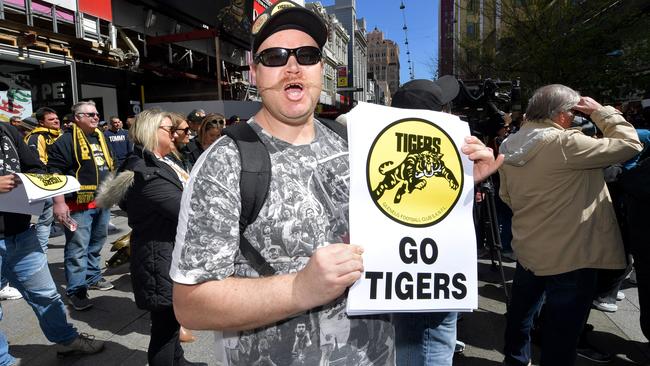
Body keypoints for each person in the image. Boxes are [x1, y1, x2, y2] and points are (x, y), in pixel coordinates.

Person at [169, 2, 502, 366]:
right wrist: (300, 288)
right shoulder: (226, 162)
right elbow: (191, 305)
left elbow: (402, 213)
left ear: (321, 68)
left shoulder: (354, 142)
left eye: (307, 55)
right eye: (276, 56)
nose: (293, 66)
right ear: (254, 72)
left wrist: (456, 184)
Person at [499, 84, 642, 366]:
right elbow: (630, 144)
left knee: (522, 313)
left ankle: (516, 360)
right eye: (574, 112)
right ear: (563, 115)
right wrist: (603, 113)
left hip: (530, 246)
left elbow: (506, 195)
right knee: (562, 329)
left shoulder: (511, 142)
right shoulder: (565, 144)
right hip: (572, 253)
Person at [96, 109, 204, 366]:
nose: (177, 134)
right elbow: (185, 211)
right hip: (159, 258)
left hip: (167, 253)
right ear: (151, 132)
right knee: (164, 330)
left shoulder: (161, 162)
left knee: (170, 322)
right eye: (170, 129)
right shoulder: (146, 171)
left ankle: (179, 361)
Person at [0, 122, 104, 365]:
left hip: (21, 235)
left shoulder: (6, 130)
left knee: (46, 295)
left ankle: (66, 340)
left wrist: (55, 197)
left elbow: (37, 168)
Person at [48, 100, 116, 311]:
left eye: (97, 114)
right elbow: (54, 173)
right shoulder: (65, 141)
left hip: (102, 201)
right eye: (90, 115)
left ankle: (93, 276)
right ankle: (76, 290)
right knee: (77, 249)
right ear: (77, 118)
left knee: (96, 244)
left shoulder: (101, 138)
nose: (96, 117)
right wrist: (59, 203)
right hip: (77, 206)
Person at [23, 107, 63, 253]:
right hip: (46, 185)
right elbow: (37, 163)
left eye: (56, 118)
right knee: (43, 223)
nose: (56, 121)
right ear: (41, 122)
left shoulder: (59, 135)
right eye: (51, 119)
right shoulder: (37, 137)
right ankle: (40, 254)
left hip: (62, 184)